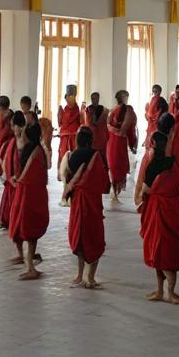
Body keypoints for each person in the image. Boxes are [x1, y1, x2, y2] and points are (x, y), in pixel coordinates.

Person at [135, 130, 179, 303]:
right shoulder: (173, 164)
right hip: (172, 210)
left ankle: (164, 291)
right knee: (169, 250)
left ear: (153, 145)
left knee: (159, 251)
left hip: (157, 211)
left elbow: (146, 189)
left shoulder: (153, 166)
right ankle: (166, 292)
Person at [62, 126, 108, 288]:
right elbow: (103, 183)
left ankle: (80, 275)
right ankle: (91, 277)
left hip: (78, 202)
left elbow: (67, 177)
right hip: (92, 203)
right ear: (91, 140)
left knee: (80, 236)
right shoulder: (97, 156)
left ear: (77, 139)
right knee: (93, 236)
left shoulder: (73, 156)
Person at [6, 115, 48, 280]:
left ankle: (30, 267)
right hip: (29, 194)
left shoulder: (35, 152)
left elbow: (30, 175)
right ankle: (28, 262)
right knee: (24, 230)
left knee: (28, 230)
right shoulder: (35, 149)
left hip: (30, 196)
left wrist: (17, 179)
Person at [106, 89, 137, 201]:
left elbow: (108, 126)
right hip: (119, 141)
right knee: (118, 165)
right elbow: (130, 128)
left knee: (114, 165)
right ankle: (115, 192)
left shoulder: (112, 110)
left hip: (112, 141)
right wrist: (133, 143)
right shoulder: (128, 110)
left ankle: (115, 192)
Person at [57, 86, 82, 174]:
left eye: (72, 96)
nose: (70, 98)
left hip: (74, 136)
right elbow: (61, 123)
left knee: (73, 156)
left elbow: (80, 122)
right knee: (64, 155)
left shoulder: (77, 109)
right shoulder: (64, 109)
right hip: (65, 136)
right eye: (68, 96)